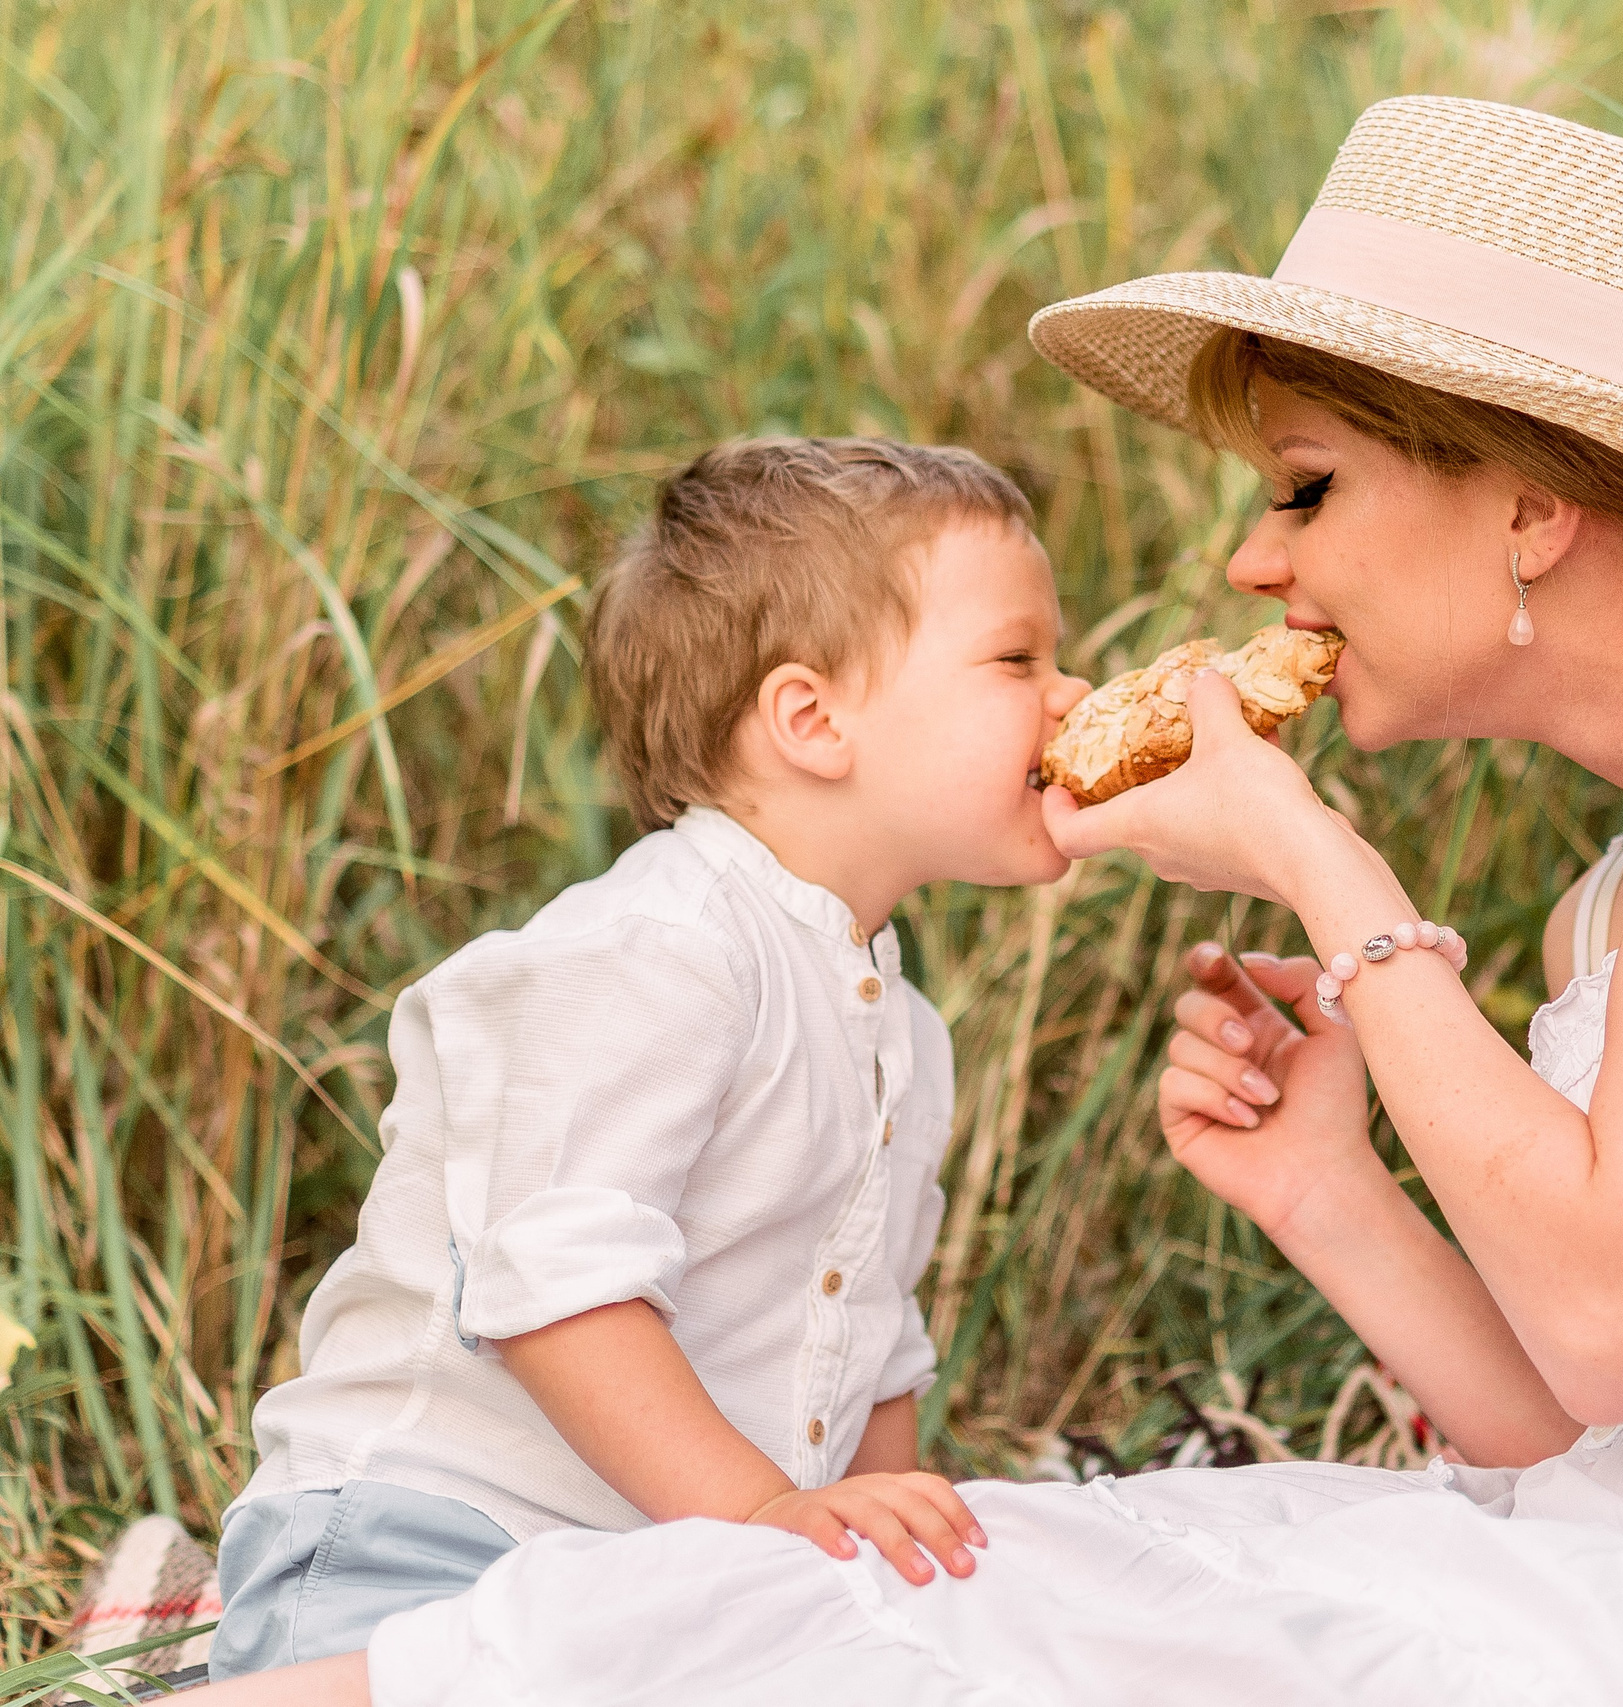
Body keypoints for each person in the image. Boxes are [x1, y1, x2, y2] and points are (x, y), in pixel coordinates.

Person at [204, 95, 1623, 1707]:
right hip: (1614, 1574)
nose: (1251, 561)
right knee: (982, 1564)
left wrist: (1319, 863)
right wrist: (1322, 1179)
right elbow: (1568, 1413)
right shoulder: (1619, 895)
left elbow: (1621, 1312)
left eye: (1304, 486)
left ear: (1522, 502)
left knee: (941, 1617)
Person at [204, 439, 1088, 1678]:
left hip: (668, 1569)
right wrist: (770, 1518)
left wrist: (894, 1583)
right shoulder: (655, 952)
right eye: (1018, 660)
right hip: (434, 1539)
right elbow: (560, 1292)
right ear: (811, 718)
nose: (1074, 693)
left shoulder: (904, 1032)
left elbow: (874, 1348)